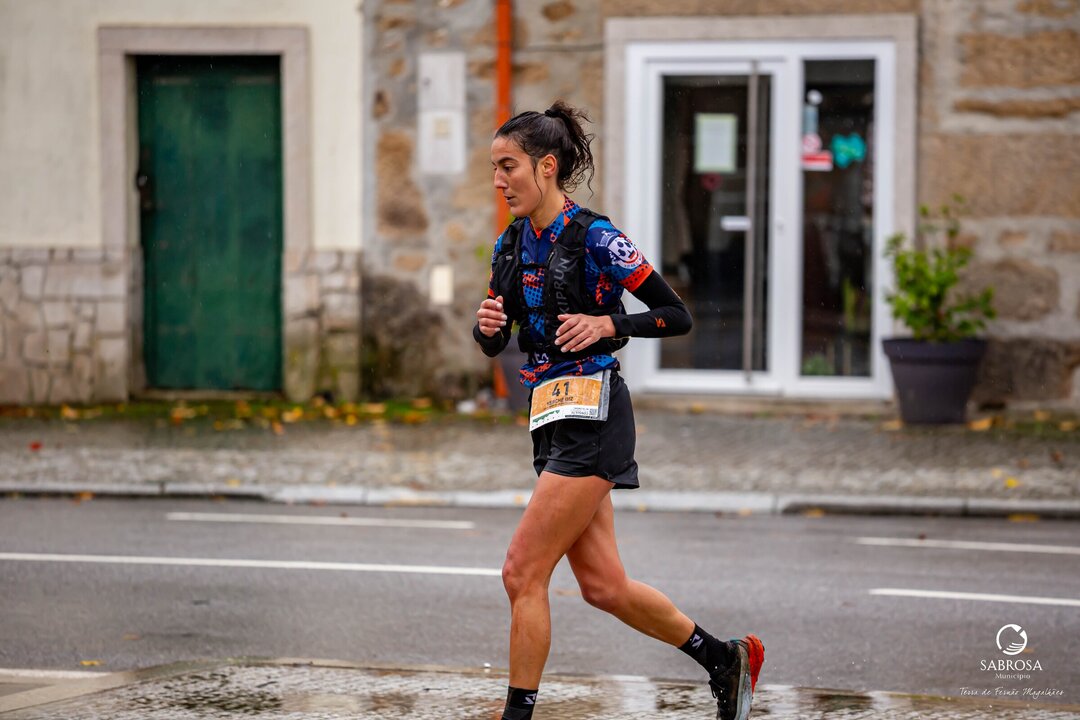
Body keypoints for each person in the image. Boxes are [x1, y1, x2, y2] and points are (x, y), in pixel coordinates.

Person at [473, 100, 765, 720]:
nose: (498, 181)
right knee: (604, 586)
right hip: (550, 417)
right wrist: (488, 328)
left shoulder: (597, 237)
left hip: (597, 416)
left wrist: (610, 322)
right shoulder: (510, 244)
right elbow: (497, 341)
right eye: (494, 168)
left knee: (521, 572)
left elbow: (676, 315)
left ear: (546, 167)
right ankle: (723, 659)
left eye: (508, 166)